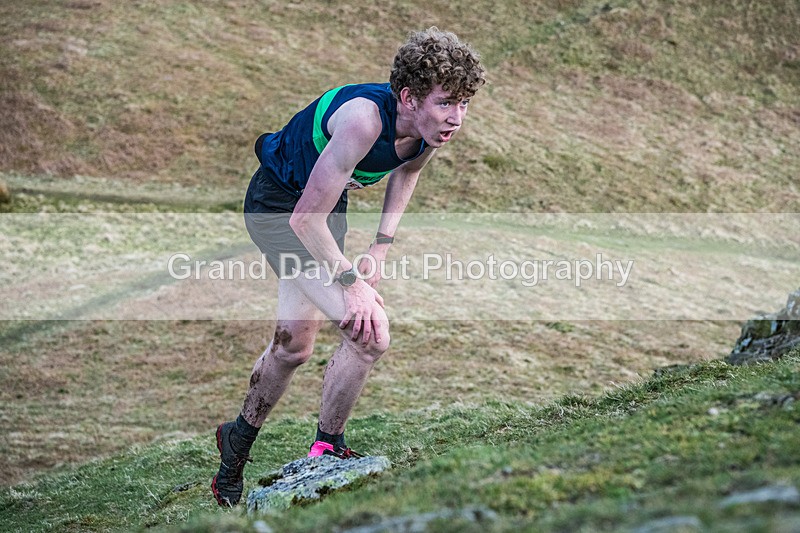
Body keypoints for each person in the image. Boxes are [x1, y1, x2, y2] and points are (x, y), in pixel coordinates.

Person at [212, 27, 485, 507]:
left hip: (322, 208)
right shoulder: (363, 121)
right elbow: (303, 220)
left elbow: (408, 172)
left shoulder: (428, 129)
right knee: (369, 333)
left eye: (464, 103)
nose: (456, 118)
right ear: (409, 96)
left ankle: (233, 445)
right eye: (446, 103)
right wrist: (351, 283)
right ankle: (327, 447)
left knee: (293, 347)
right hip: (280, 210)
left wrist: (379, 247)